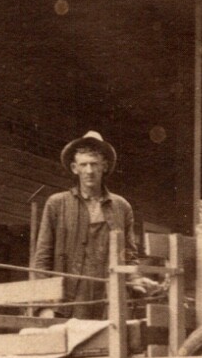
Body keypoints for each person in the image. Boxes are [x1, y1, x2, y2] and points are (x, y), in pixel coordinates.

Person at [29, 130, 147, 320]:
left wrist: (135, 281)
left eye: (94, 164)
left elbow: (130, 255)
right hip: (67, 303)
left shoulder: (121, 207)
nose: (89, 171)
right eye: (84, 165)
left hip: (109, 303)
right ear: (75, 168)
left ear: (104, 166)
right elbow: (42, 258)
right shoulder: (57, 204)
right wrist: (43, 306)